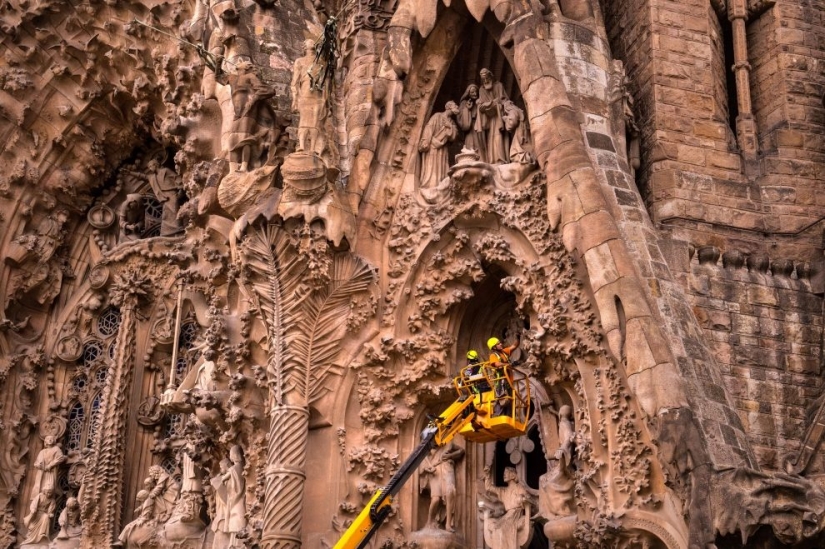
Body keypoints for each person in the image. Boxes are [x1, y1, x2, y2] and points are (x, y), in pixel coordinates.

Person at [418, 101, 460, 189]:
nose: (457, 107)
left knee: (441, 167)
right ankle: (430, 185)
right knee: (431, 165)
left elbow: (453, 137)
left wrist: (450, 127)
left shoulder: (451, 122)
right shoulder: (437, 116)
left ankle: (439, 186)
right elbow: (429, 128)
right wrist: (426, 141)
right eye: (455, 105)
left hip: (443, 148)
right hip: (432, 146)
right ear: (449, 107)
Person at [477, 68, 510, 164]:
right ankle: (491, 160)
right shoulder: (482, 89)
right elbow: (482, 103)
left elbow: (503, 100)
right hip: (489, 119)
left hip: (499, 116)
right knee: (490, 139)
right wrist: (484, 105)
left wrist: (494, 103)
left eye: (487, 78)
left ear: (491, 77)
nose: (486, 81)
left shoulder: (499, 85)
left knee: (498, 137)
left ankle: (500, 159)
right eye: (484, 80)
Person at [487, 335, 520, 415]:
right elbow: (497, 364)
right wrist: (509, 364)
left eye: (500, 343)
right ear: (494, 347)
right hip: (501, 383)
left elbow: (514, 346)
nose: (501, 344)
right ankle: (498, 418)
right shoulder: (493, 355)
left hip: (508, 382)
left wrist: (518, 337)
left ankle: (509, 418)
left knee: (510, 401)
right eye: (498, 344)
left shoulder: (504, 352)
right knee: (502, 401)